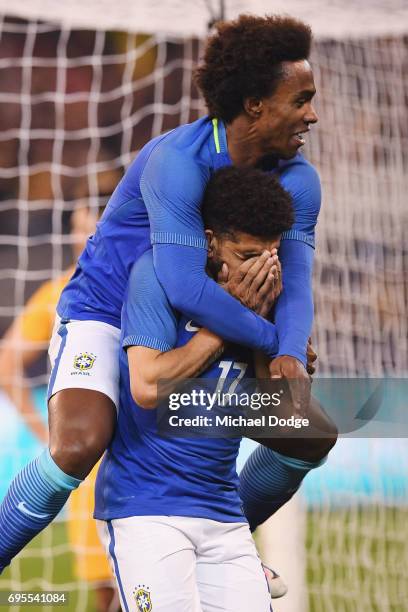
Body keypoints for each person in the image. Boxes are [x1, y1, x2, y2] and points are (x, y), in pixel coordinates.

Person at [0, 14, 323, 573]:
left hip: (209, 313)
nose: (312, 114)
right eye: (301, 99)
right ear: (254, 104)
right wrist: (273, 338)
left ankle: (226, 545)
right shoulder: (176, 162)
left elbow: (293, 280)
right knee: (79, 445)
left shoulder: (298, 179)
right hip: (108, 309)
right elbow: (182, 283)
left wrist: (291, 351)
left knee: (307, 434)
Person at [94, 166, 336, 611]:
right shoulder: (157, 276)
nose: (262, 269)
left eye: (272, 255)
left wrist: (278, 346)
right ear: (209, 242)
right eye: (247, 255)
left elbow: (282, 414)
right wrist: (229, 322)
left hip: (224, 516)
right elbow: (147, 387)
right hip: (147, 509)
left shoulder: (269, 286)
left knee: (318, 433)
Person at [0, 204, 119, 612]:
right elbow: (6, 366)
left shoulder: (147, 284)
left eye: (93, 227)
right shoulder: (57, 294)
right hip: (92, 463)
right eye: (78, 227)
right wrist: (51, 435)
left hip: (146, 455)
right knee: (109, 592)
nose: (83, 237)